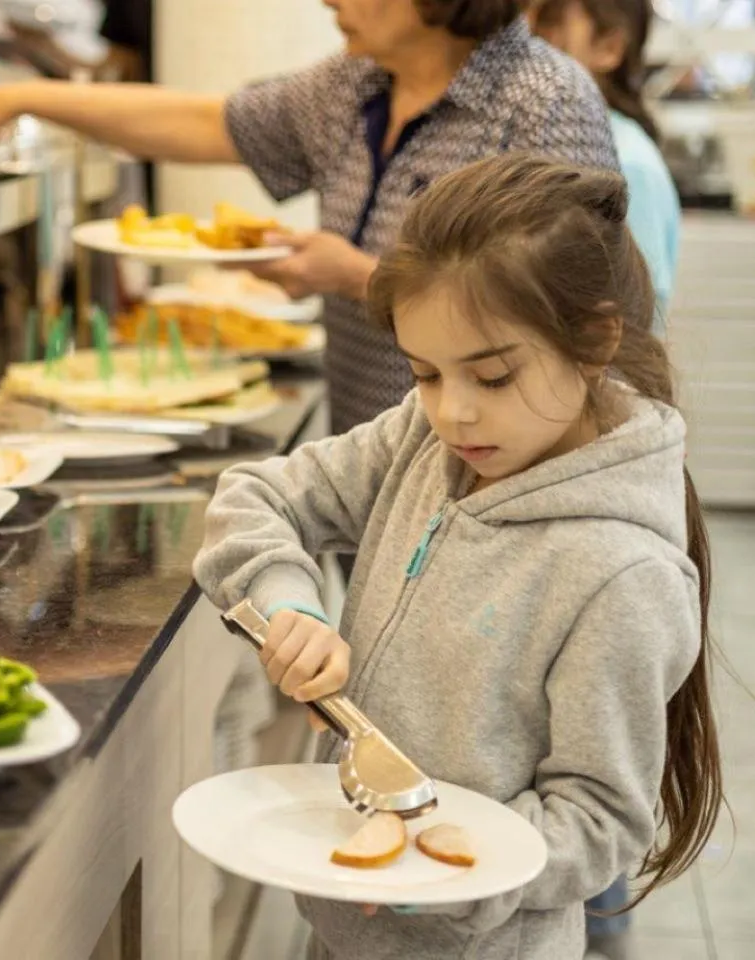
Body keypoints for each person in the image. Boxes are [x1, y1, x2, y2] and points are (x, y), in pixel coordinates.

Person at [192, 153, 722, 960]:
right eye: (424, 373)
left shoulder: (620, 575)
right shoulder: (425, 436)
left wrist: (434, 872)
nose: (454, 411)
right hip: (340, 925)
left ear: (596, 340)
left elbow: (598, 823)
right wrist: (287, 605)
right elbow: (256, 498)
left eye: (492, 375)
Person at [0, 0, 620, 441]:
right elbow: (205, 123)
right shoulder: (355, 84)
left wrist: (354, 276)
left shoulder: (544, 99)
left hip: (500, 460)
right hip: (376, 449)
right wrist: (18, 99)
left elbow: (564, 310)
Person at [532, 0, 681, 336]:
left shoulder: (625, 162)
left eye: (551, 23)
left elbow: (633, 321)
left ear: (610, 46)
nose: (530, 37)